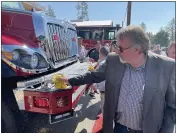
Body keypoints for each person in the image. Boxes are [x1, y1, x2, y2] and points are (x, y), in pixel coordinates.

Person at [56, 26, 175, 133]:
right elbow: (94, 75)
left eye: (121, 48)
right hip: (119, 128)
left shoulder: (166, 66)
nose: (117, 51)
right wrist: (70, 80)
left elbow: (172, 106)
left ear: (137, 49)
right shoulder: (114, 60)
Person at [89, 46, 110, 114]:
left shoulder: (102, 64)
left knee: (104, 107)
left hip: (104, 90)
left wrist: (95, 85)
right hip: (111, 90)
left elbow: (100, 80)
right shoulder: (110, 61)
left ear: (100, 54)